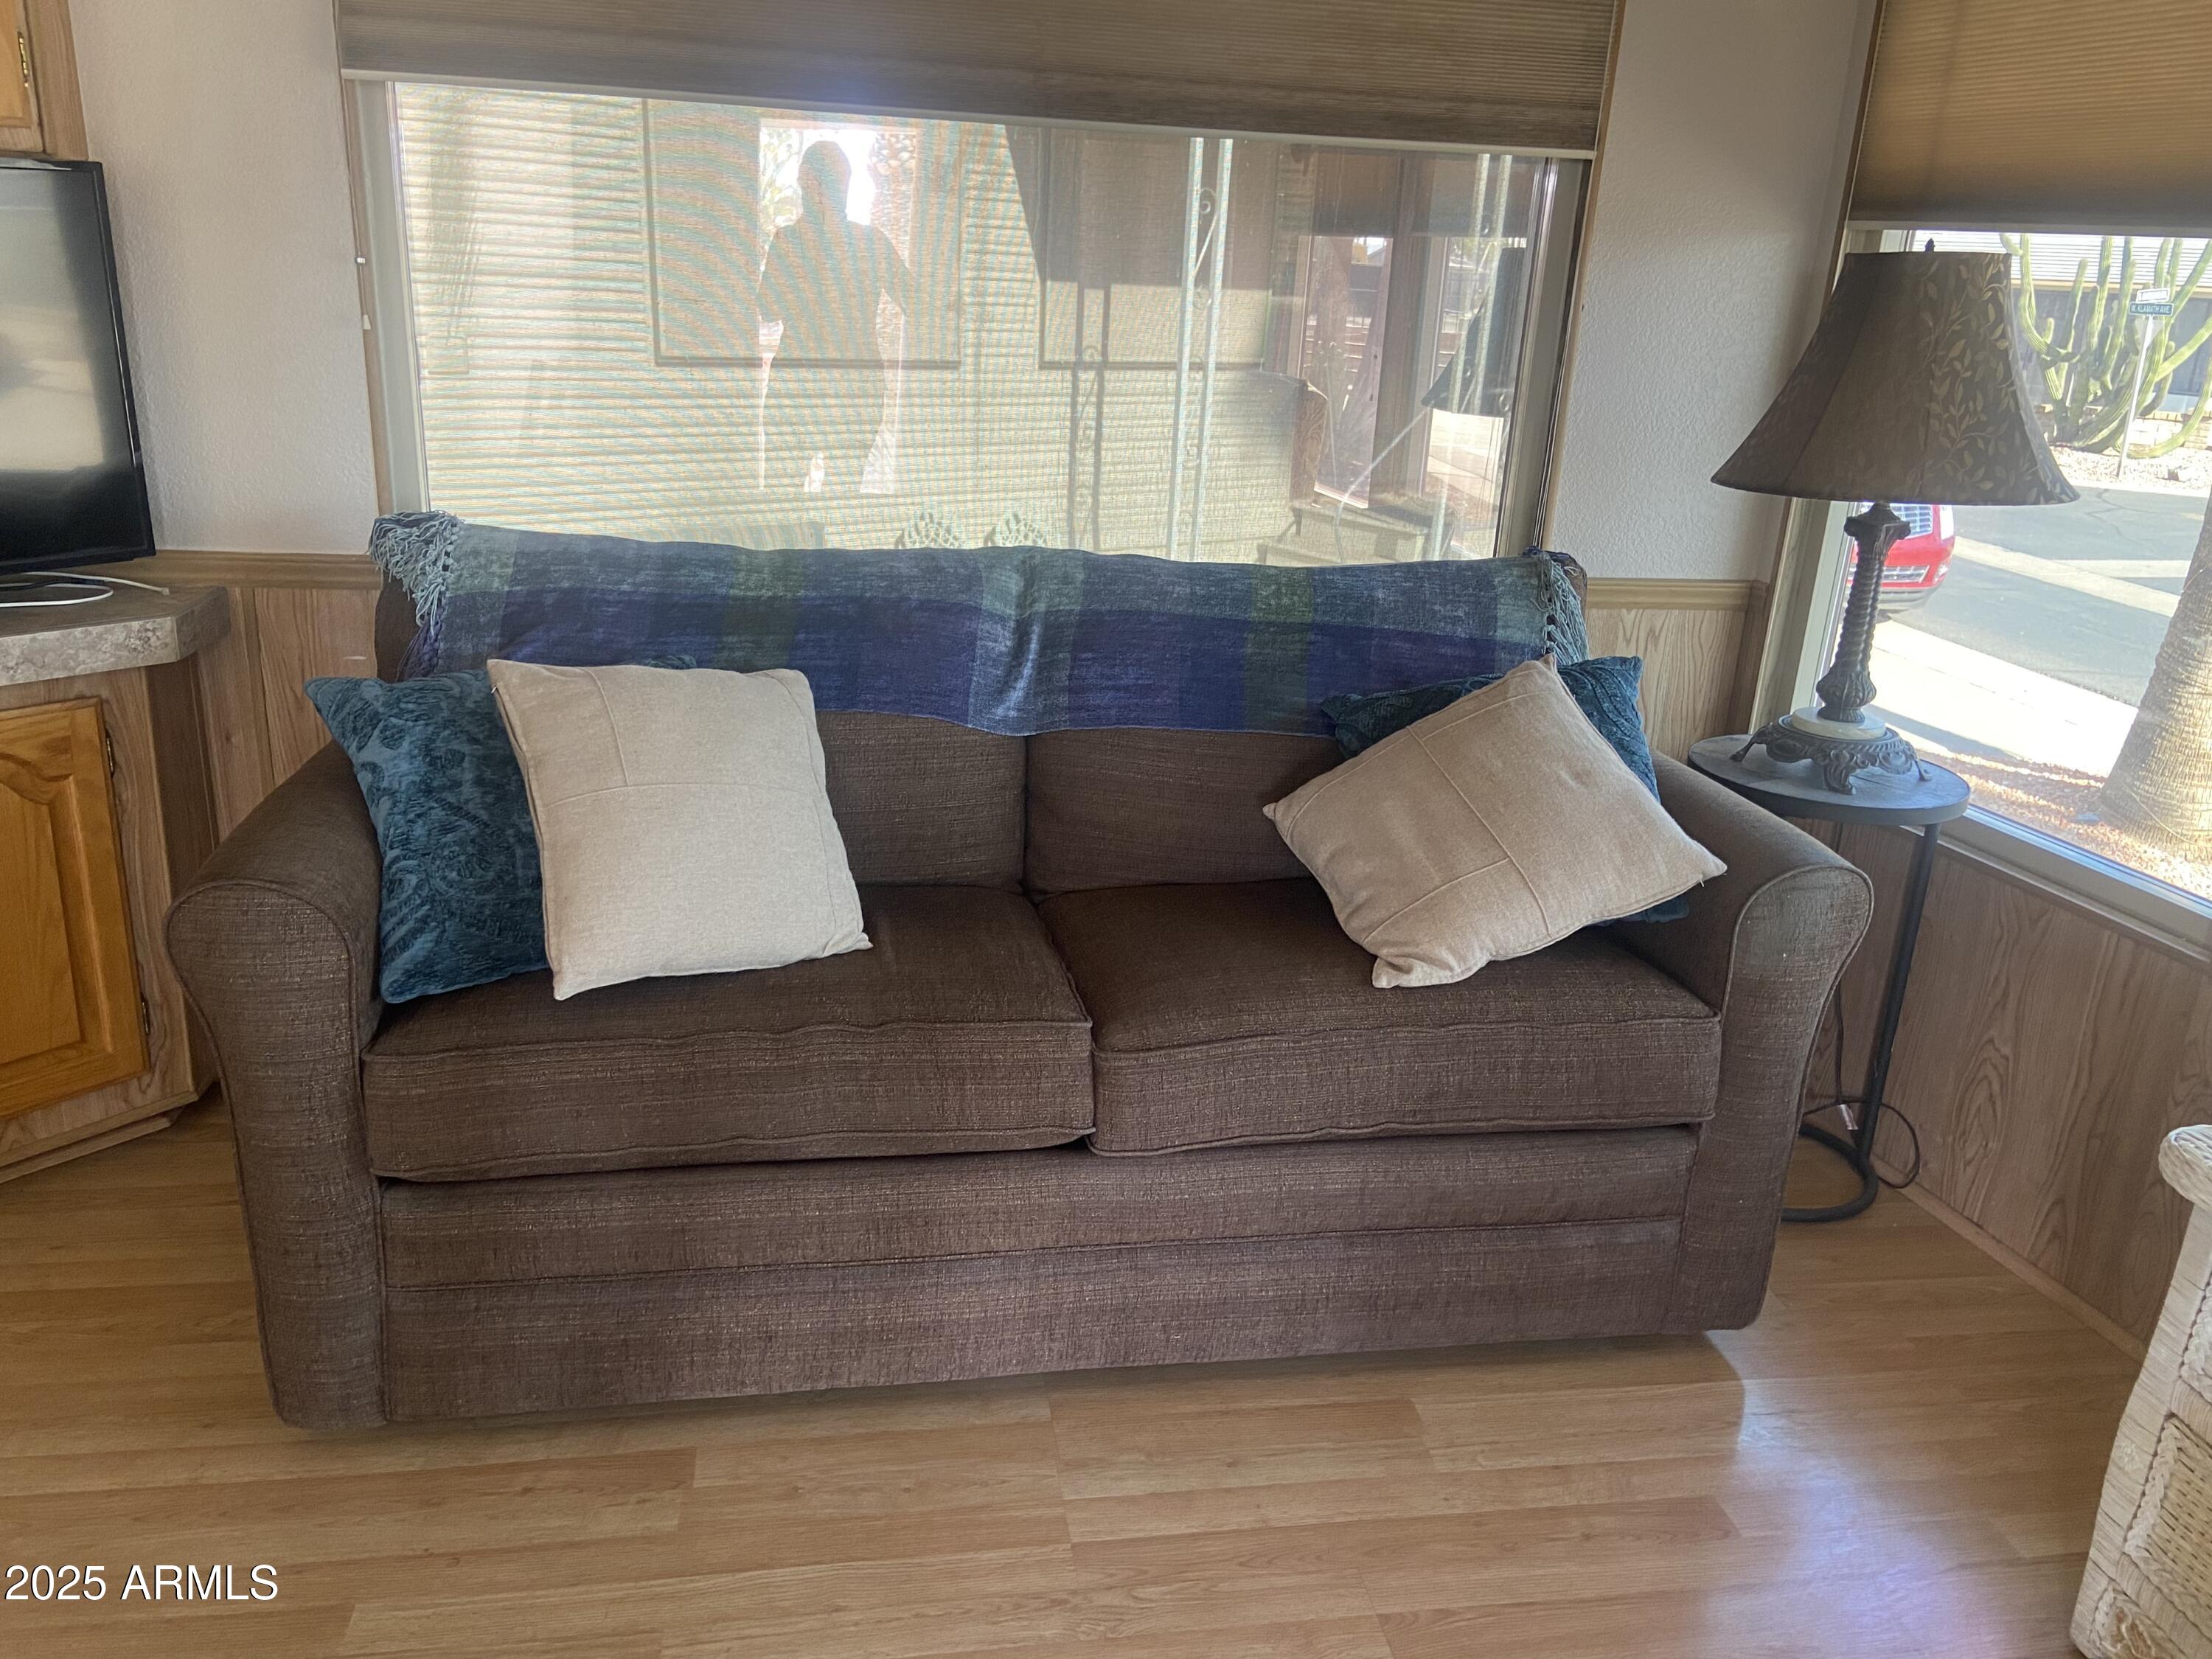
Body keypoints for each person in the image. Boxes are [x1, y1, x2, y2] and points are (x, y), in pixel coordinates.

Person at [758, 142, 914, 492]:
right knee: (842, 499)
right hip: (855, 386)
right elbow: (918, 303)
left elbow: (767, 309)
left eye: (805, 183)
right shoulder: (871, 243)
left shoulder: (790, 241)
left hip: (799, 386)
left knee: (783, 504)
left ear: (809, 184)